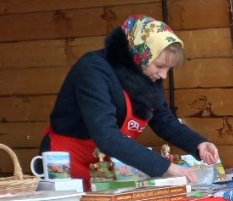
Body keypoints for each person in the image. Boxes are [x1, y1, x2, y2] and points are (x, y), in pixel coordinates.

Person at [40, 15, 220, 184]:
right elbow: (106, 136)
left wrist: (198, 144)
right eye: (159, 66)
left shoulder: (145, 73)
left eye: (168, 69)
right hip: (65, 162)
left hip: (102, 164)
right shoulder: (92, 70)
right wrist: (165, 167)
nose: (164, 75)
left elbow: (164, 121)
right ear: (140, 54)